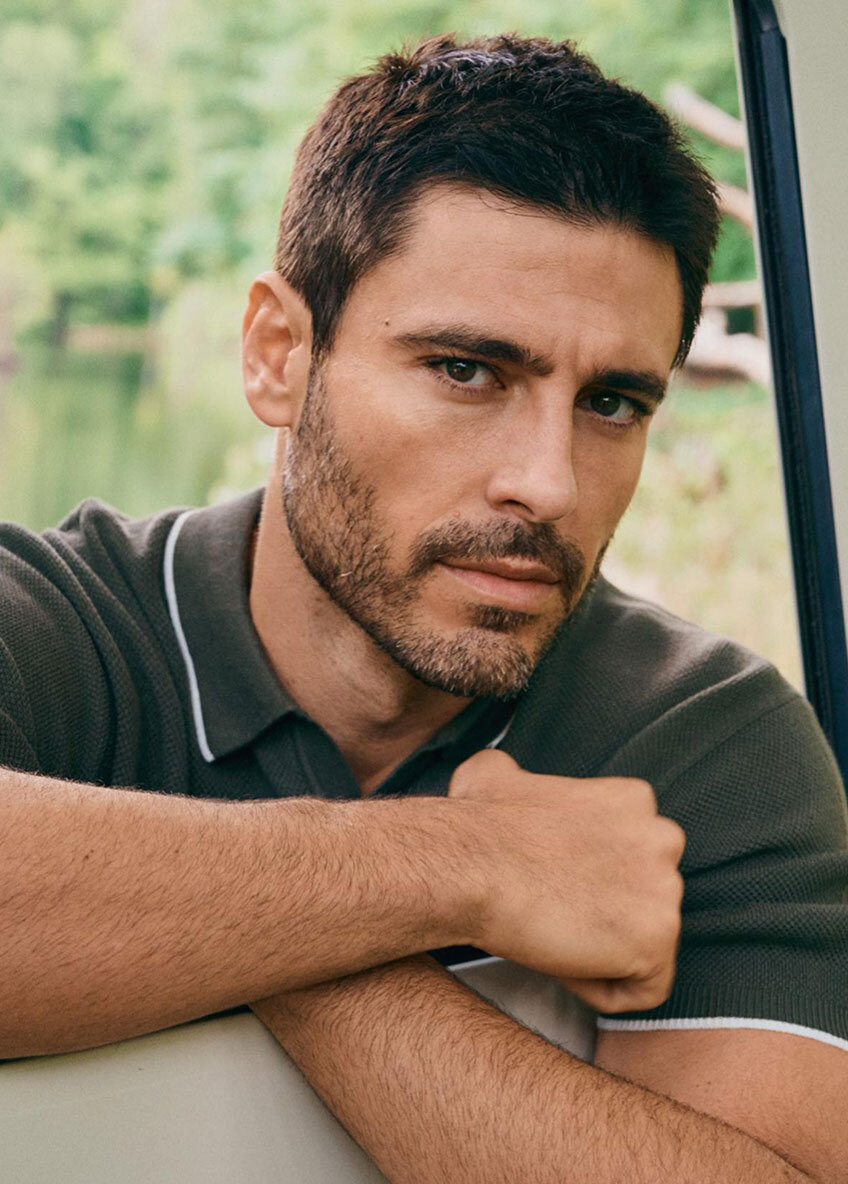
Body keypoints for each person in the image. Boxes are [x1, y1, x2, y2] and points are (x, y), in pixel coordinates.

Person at [1, 31, 847, 1182]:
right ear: (277, 354)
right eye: (464, 369)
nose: (546, 483)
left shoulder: (701, 737)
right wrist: (465, 865)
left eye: (610, 402)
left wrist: (206, 916)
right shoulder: (57, 625)